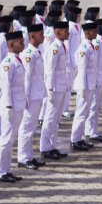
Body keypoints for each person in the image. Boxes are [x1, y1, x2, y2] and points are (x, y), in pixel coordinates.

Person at [0, 31, 26, 183]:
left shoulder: (17, 60)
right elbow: (5, 88)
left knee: (11, 139)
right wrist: (8, 107)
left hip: (17, 104)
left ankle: (6, 169)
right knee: (5, 139)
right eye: (20, 42)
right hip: (9, 106)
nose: (23, 44)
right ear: (11, 44)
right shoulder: (7, 64)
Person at [17, 24, 47, 170]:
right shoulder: (28, 54)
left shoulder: (36, 51)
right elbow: (27, 79)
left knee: (32, 127)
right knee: (26, 127)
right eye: (40, 34)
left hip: (37, 94)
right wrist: (26, 99)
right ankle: (23, 158)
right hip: (31, 97)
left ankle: (29, 156)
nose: (43, 36)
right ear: (32, 36)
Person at [39, 20, 70, 160]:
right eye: (65, 31)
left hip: (61, 86)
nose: (68, 33)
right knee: (50, 118)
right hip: (55, 88)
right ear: (58, 32)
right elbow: (50, 70)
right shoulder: (54, 48)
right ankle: (45, 147)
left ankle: (52, 145)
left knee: (56, 119)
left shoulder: (62, 46)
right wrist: (49, 89)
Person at [70, 22, 98, 151]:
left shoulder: (90, 46)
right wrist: (82, 88)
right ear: (87, 33)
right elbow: (81, 69)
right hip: (84, 86)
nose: (96, 32)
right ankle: (75, 140)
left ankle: (79, 138)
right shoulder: (84, 48)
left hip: (89, 85)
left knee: (85, 113)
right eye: (94, 31)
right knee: (81, 113)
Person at [86, 18, 102, 142]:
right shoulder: (97, 43)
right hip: (97, 79)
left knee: (98, 107)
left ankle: (94, 130)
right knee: (93, 107)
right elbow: (94, 64)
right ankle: (89, 132)